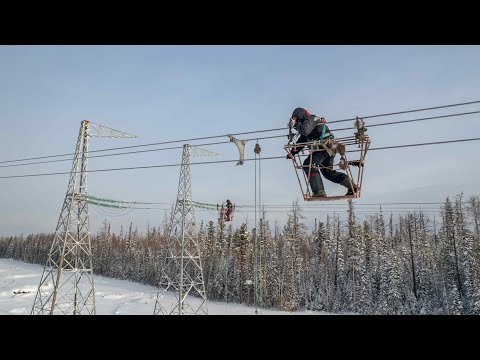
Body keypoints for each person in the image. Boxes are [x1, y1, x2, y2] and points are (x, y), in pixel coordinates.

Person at [287, 107, 357, 198]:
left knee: (308, 165)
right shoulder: (308, 125)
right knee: (328, 173)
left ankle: (318, 192)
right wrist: (292, 152)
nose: (296, 121)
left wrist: (295, 124)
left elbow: (305, 130)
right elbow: (302, 141)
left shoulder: (311, 119)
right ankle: (352, 187)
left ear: (300, 116)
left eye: (297, 118)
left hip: (325, 147)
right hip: (329, 148)